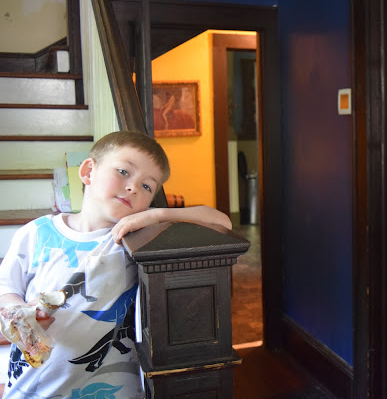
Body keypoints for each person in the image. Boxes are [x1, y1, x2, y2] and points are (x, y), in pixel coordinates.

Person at [0, 131, 231, 398]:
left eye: (147, 187)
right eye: (123, 172)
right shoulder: (36, 233)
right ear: (88, 172)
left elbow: (222, 222)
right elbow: (6, 287)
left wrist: (155, 215)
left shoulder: (135, 240)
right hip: (32, 386)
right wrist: (18, 311)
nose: (133, 187)